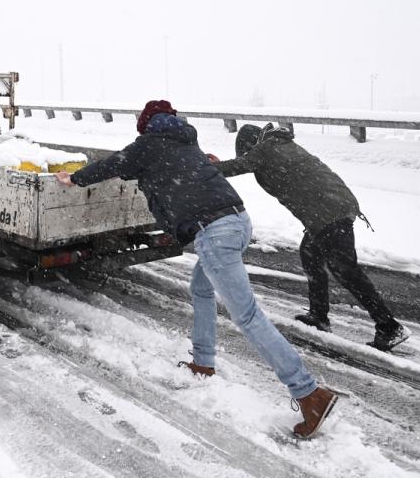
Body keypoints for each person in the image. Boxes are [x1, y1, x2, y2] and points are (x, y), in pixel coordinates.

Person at [56, 100, 338, 439]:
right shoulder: (187, 140)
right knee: (201, 289)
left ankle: (308, 393)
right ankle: (203, 364)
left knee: (248, 316)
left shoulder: (148, 145)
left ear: (146, 124)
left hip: (214, 232)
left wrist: (73, 178)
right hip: (236, 220)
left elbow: (112, 165)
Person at [210, 123, 410, 352]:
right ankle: (319, 316)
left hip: (329, 212)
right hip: (328, 209)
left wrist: (202, 166)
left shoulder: (267, 148)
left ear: (251, 144)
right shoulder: (281, 145)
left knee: (346, 270)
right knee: (311, 256)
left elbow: (236, 167)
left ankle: (388, 325)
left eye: (247, 151)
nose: (248, 155)